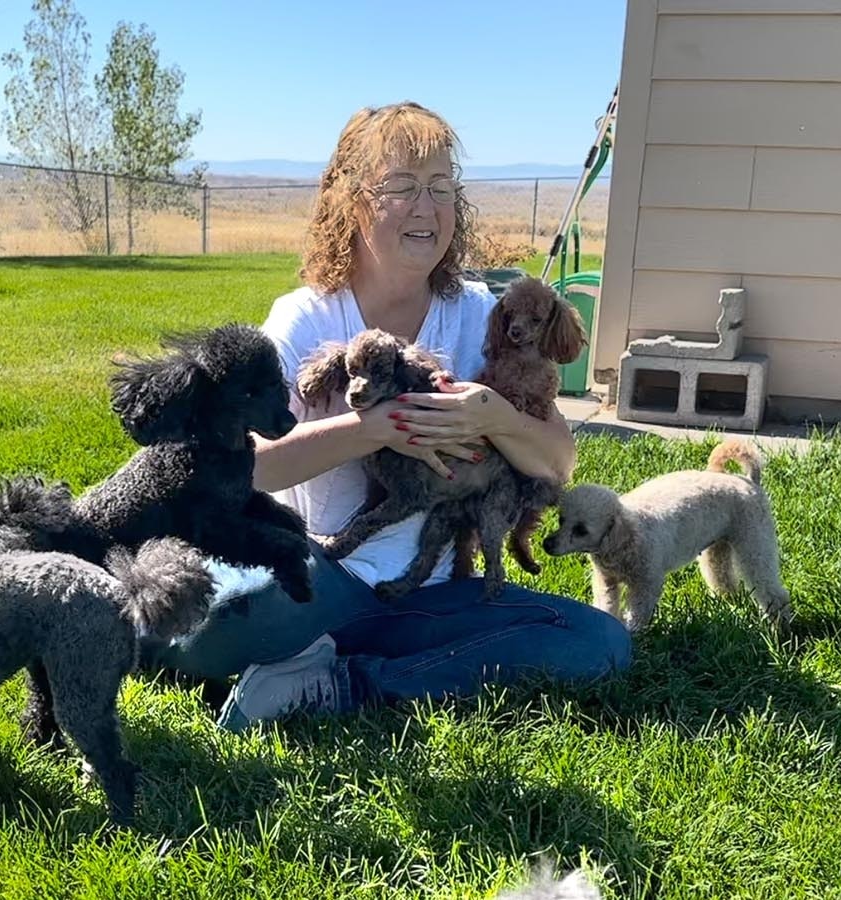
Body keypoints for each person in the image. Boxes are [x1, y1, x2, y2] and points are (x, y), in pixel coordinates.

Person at [145, 101, 631, 731]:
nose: (426, 208)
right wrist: (373, 428)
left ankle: (342, 683)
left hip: (439, 590)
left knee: (597, 644)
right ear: (352, 202)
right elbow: (244, 470)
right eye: (401, 187)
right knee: (211, 619)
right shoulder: (307, 318)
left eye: (441, 188)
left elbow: (557, 460)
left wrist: (490, 414)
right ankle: (302, 650)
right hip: (323, 576)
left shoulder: (481, 313)